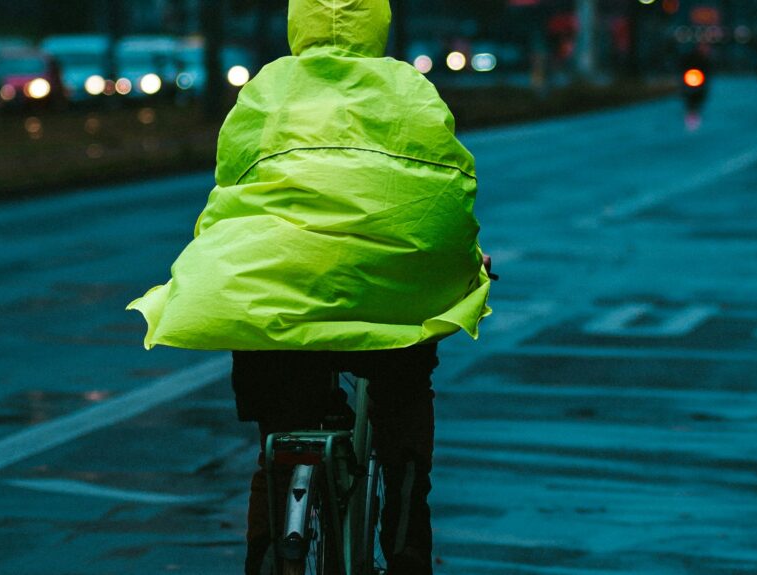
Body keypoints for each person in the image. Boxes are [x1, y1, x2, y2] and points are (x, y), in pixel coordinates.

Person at [126, 1, 493, 573]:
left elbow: (231, 193)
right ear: (380, 22)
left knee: (280, 424)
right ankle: (405, 541)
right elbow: (443, 196)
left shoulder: (266, 89)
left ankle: (270, 546)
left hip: (274, 284)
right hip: (386, 290)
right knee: (403, 398)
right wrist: (468, 263)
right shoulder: (409, 89)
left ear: (299, 21)